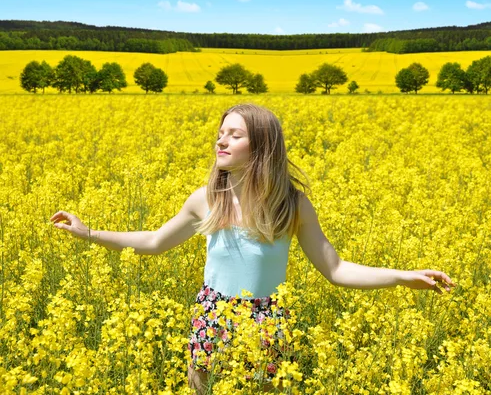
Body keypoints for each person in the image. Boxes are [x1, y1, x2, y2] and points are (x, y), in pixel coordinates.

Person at [50, 103, 456, 394]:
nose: (221, 141)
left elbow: (335, 268)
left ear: (261, 147)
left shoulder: (291, 205)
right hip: (212, 315)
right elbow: (155, 241)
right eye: (220, 133)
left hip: (265, 322)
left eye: (235, 134)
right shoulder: (207, 198)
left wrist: (402, 278)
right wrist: (89, 233)